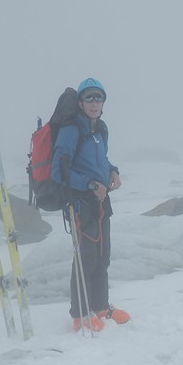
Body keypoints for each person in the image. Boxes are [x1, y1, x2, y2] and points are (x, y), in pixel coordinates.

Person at [51, 77, 130, 332]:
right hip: (80, 202)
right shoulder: (72, 130)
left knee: (102, 256)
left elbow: (101, 159)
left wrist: (113, 171)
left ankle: (100, 307)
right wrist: (90, 185)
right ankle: (80, 314)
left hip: (100, 203)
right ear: (81, 102)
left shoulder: (100, 129)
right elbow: (58, 170)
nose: (94, 103)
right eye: (89, 98)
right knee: (85, 258)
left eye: (99, 97)